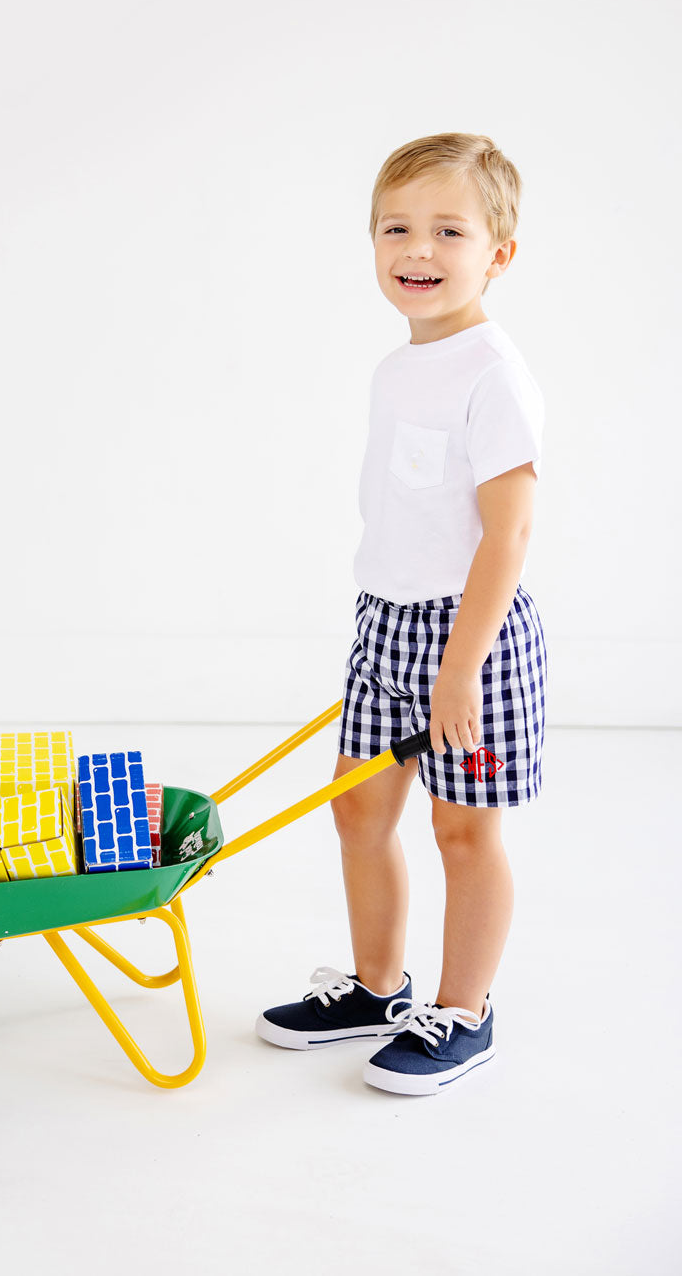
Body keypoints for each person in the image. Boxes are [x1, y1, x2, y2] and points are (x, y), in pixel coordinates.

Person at [255, 132, 547, 1095]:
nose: (416, 249)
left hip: (473, 636)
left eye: (447, 230)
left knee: (464, 830)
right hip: (384, 622)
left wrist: (461, 664)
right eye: (396, 228)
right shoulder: (396, 367)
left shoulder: (492, 373)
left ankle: (466, 1011)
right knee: (358, 810)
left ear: (497, 253)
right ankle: (379, 987)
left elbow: (505, 537)